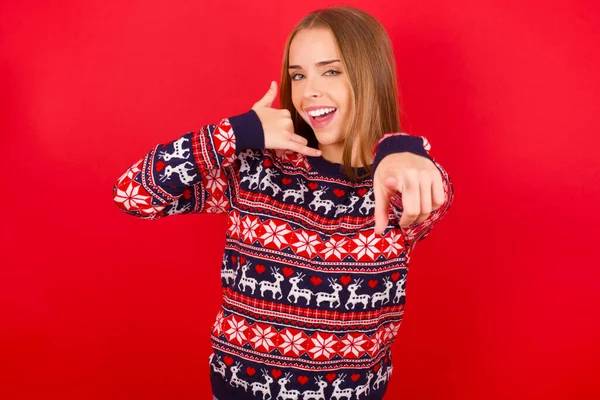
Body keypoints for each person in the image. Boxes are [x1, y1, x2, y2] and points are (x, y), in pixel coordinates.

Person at [113, 5, 454, 400]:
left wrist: (403, 149)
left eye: (331, 70)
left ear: (370, 76)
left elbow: (433, 191)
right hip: (237, 390)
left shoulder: (397, 189)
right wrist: (234, 133)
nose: (309, 90)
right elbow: (133, 194)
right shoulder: (257, 169)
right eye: (298, 75)